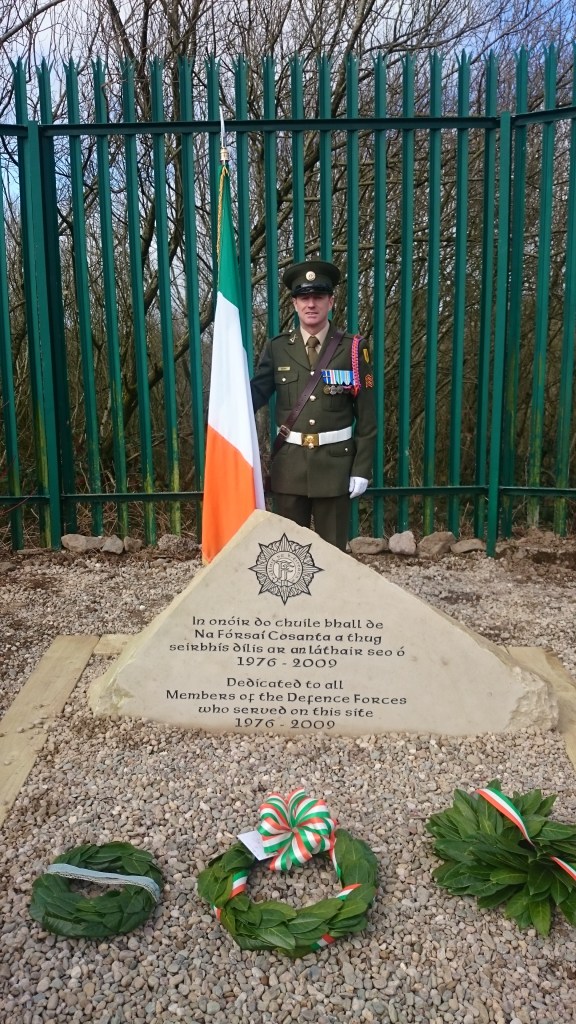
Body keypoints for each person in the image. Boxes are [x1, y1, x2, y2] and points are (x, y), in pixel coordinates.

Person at [250, 259, 377, 550]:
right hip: (289, 467)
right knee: (290, 555)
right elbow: (258, 393)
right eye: (304, 297)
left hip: (334, 467)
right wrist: (223, 413)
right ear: (294, 303)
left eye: (318, 296)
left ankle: (331, 598)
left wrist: (361, 468)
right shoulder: (278, 347)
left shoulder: (354, 349)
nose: (311, 304)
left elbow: (367, 417)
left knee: (333, 554)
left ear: (331, 301)